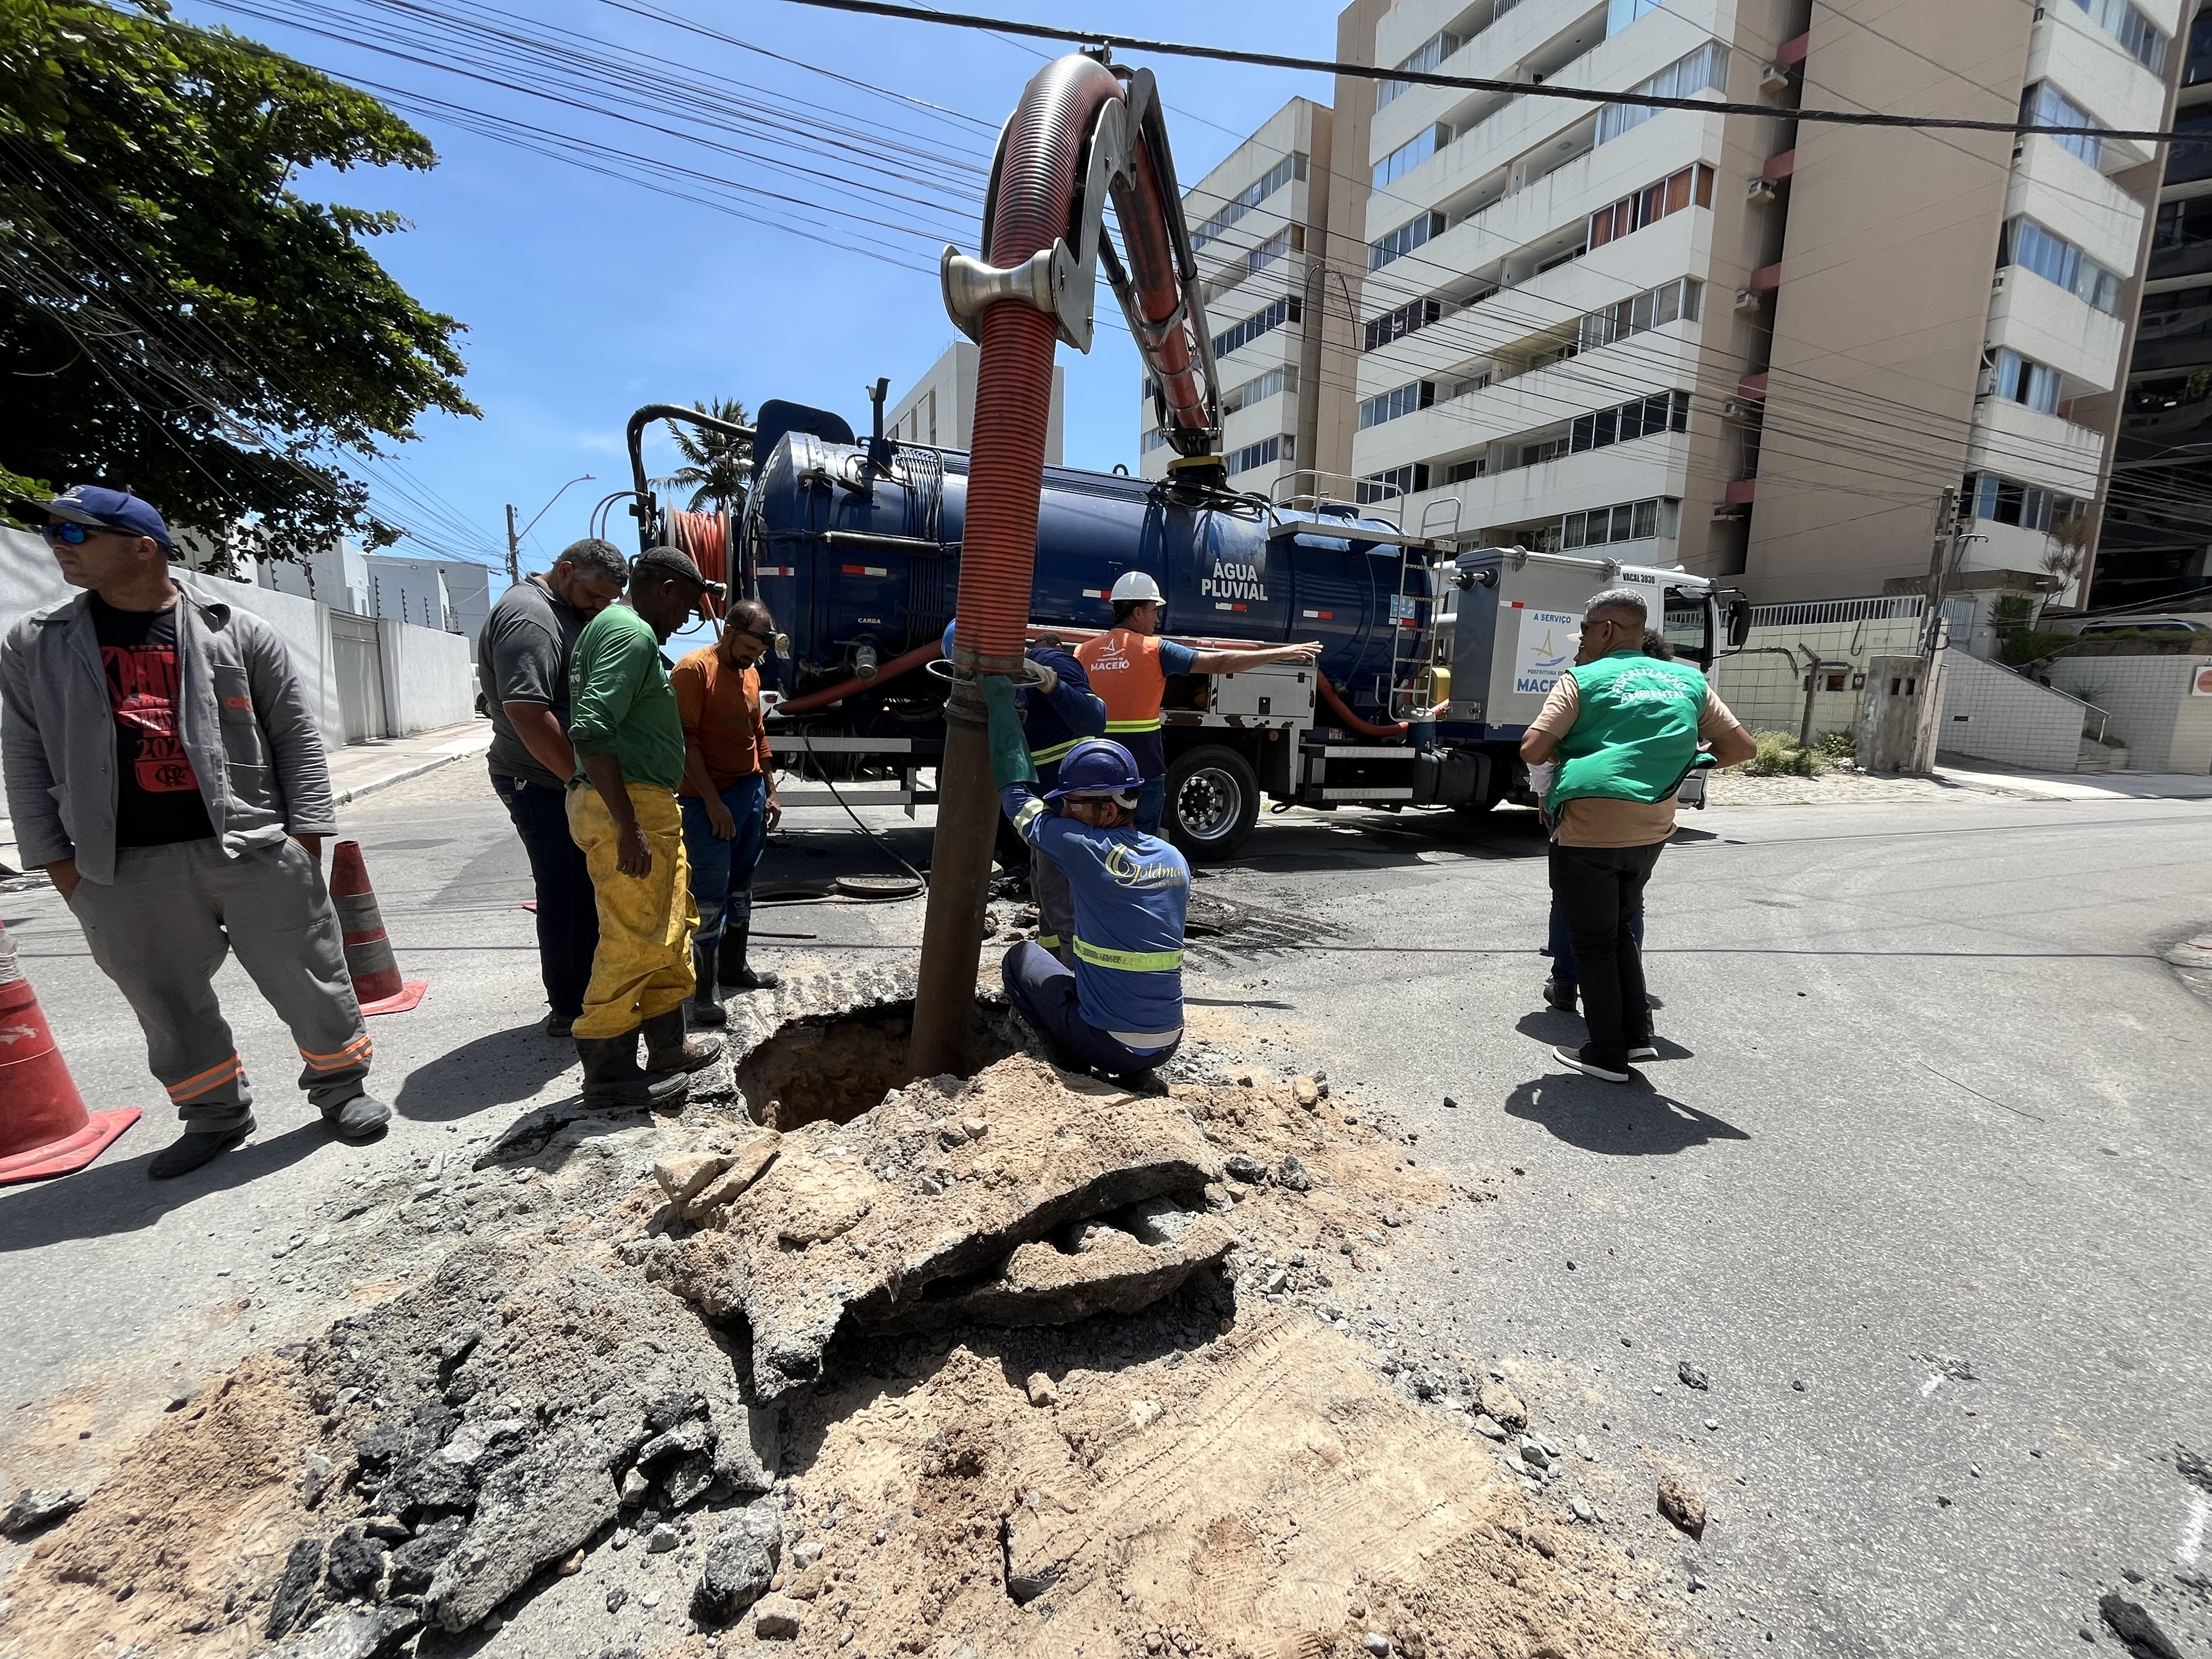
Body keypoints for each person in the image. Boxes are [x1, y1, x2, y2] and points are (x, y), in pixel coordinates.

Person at [0, 486, 389, 1177]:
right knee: (166, 1001)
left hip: (251, 845)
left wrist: (304, 841)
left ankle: (341, 1091)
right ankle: (214, 1113)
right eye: (54, 532)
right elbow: (24, 756)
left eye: (76, 534)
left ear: (141, 547)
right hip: (119, 864)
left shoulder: (233, 631)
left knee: (309, 979)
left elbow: (295, 738)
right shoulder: (36, 644)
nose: (59, 544)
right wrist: (58, 864)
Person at [1520, 590, 1755, 1084]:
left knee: (1593, 942)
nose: (1581, 639)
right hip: (1652, 825)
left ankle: (1606, 1054)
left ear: (1606, 630)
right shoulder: (1689, 679)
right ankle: (1636, 1036)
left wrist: (1580, 747)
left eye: (1584, 629)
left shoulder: (1581, 680)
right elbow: (1741, 747)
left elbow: (1533, 747)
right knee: (1621, 927)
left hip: (1589, 826)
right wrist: (1685, 762)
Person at [565, 545, 725, 1105]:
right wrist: (627, 824)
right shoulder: (630, 634)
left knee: (672, 925)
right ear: (665, 588)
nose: (687, 618)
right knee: (633, 938)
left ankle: (666, 1048)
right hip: (628, 807)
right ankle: (608, 1073)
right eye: (687, 603)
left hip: (646, 804)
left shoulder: (615, 629)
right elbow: (589, 729)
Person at [981, 673, 1192, 1083]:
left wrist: (1002, 707)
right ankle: (1137, 1074)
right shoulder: (1174, 860)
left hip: (1109, 1044)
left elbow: (1016, 797)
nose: (1064, 813)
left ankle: (1072, 1069)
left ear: (1109, 810)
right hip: (1169, 1042)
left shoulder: (1085, 849)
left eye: (1073, 804)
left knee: (1018, 960)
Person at [479, 537, 629, 1038]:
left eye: (610, 600)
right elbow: (527, 711)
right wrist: (582, 781)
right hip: (540, 780)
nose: (600, 607)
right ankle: (569, 1007)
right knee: (565, 890)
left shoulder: (564, 611)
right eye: (595, 595)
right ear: (566, 570)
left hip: (560, 779)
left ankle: (585, 993)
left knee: (583, 889)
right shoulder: (531, 617)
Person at [1074, 571, 1322, 833]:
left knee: (1096, 838)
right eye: (1153, 611)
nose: (1157, 619)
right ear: (1137, 613)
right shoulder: (1155, 649)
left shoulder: (1083, 652)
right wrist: (1281, 653)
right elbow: (1219, 663)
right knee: (1141, 843)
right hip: (1142, 768)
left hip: (1094, 766)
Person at [943, 618, 1106, 968]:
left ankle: (1073, 979)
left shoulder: (1054, 662)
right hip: (1045, 801)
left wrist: (1050, 683)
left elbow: (1095, 719)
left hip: (1071, 802)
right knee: (1046, 890)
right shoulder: (995, 683)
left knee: (1062, 896)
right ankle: (1050, 962)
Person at [1539, 629, 1672, 1013]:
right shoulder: (1666, 695)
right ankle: (1626, 991)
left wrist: (1545, 796)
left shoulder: (1585, 685)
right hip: (1650, 813)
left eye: (1585, 645)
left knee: (1570, 902)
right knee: (1630, 907)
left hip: (1586, 811)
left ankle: (1566, 985)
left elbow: (1540, 750)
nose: (1581, 652)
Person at [673, 596, 785, 1027]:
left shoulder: (751, 675)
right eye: (748, 649)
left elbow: (759, 734)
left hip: (749, 793)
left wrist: (770, 790)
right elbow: (687, 744)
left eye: (758, 654)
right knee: (710, 893)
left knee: (742, 886)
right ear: (728, 631)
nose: (752, 659)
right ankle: (705, 991)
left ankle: (735, 968)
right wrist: (714, 802)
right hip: (706, 801)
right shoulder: (693, 671)